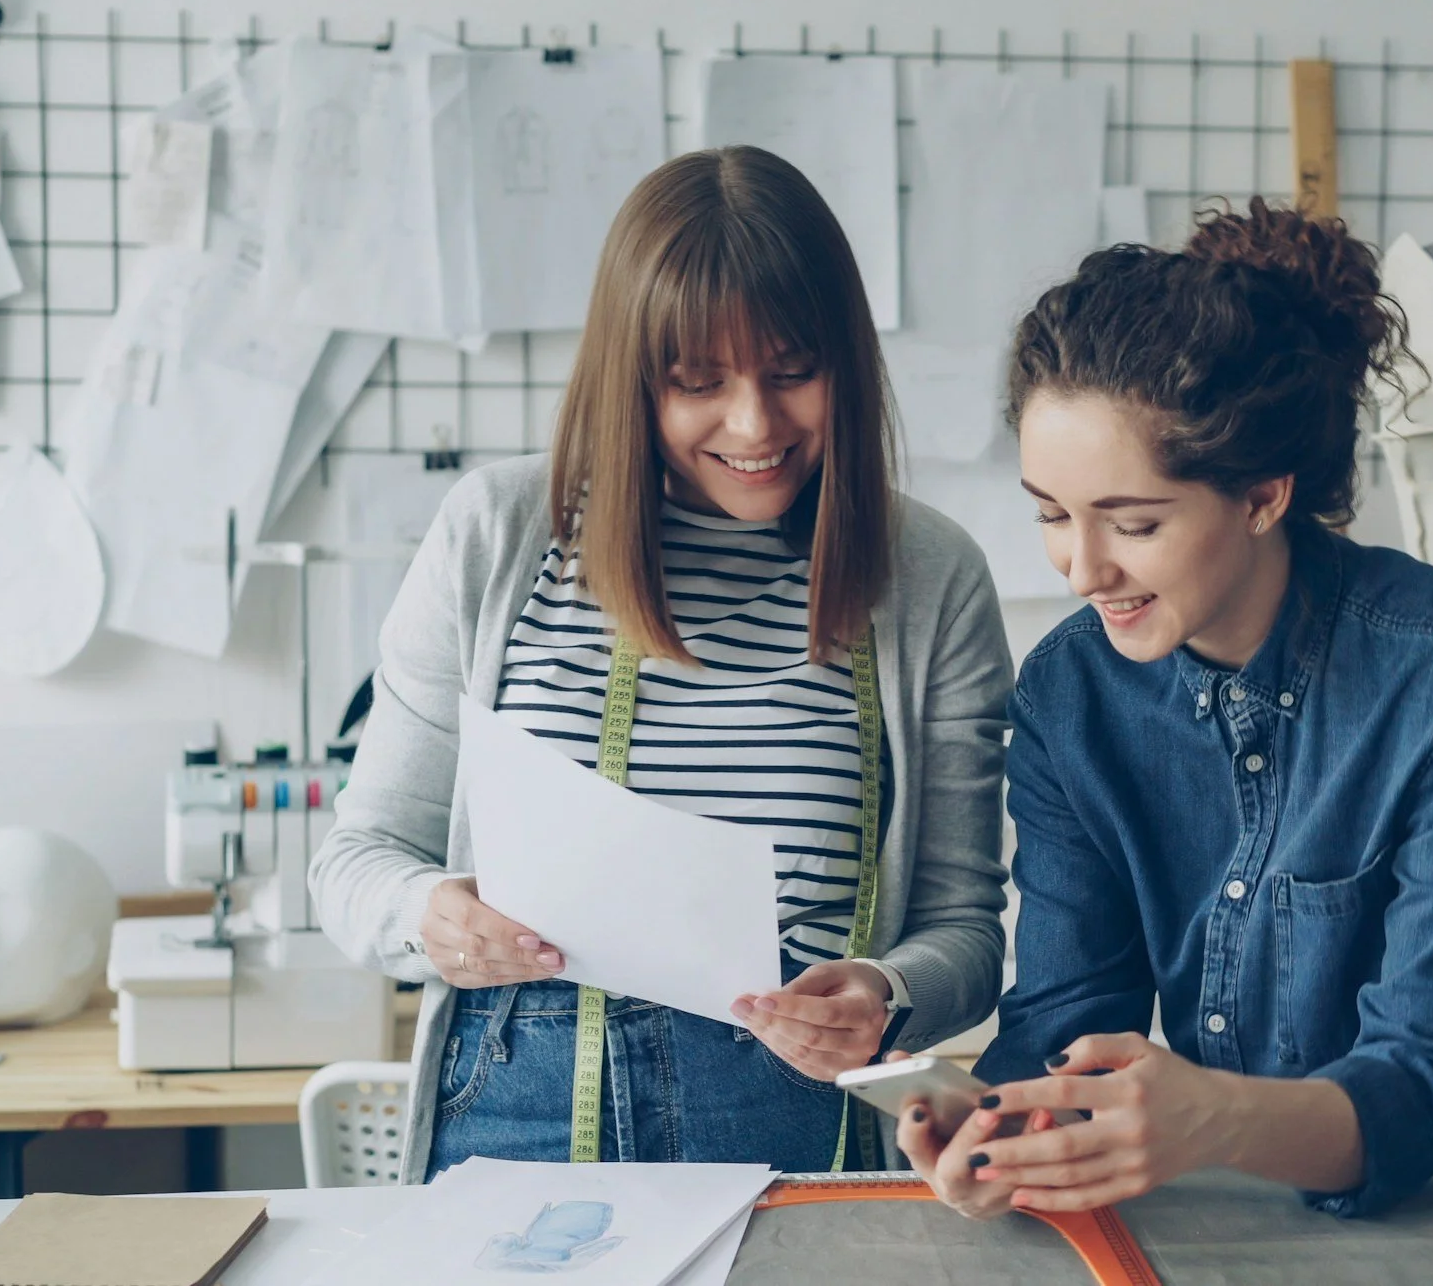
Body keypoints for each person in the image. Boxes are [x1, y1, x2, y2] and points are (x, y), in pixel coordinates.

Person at [898, 200, 1433, 1219]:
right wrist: (1003, 1136)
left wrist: (1214, 1119)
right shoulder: (1070, 694)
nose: (1080, 569)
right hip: (1253, 1209)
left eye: (1133, 523)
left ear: (1261, 498)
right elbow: (1064, 1022)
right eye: (1052, 515)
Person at [310, 146, 1013, 1178]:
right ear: (632, 379)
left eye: (792, 373)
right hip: (516, 1107)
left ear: (847, 366)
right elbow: (355, 861)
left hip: (794, 1122)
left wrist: (883, 991)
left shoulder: (926, 576)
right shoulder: (497, 537)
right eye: (698, 383)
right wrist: (430, 919)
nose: (754, 423)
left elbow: (965, 928)